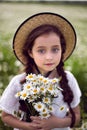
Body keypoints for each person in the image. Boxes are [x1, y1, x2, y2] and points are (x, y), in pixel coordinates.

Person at [0, 12, 81, 130]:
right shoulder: (19, 82)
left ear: (62, 50)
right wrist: (27, 126)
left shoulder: (68, 79)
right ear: (30, 52)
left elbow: (77, 116)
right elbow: (5, 116)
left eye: (55, 49)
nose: (49, 57)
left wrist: (56, 123)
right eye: (41, 51)